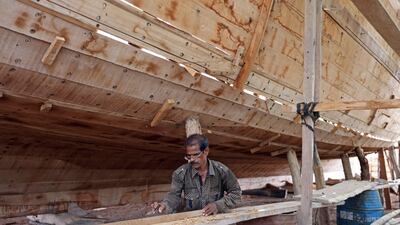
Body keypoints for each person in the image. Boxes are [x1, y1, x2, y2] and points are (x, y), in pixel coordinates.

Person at [152, 134, 241, 216]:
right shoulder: (180, 173)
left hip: (216, 218)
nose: (192, 159)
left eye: (196, 155)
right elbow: (174, 196)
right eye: (189, 156)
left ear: (206, 151)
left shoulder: (221, 170)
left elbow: (236, 193)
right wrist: (164, 205)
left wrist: (218, 205)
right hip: (191, 219)